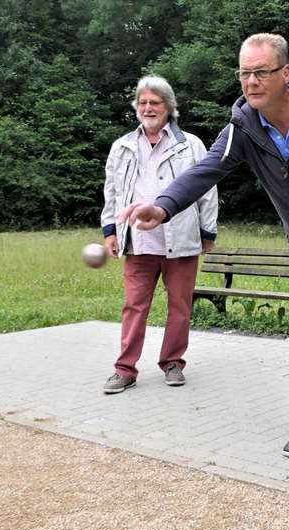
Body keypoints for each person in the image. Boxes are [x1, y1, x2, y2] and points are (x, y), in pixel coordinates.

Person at [117, 34, 289, 457]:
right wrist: (162, 206)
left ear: (285, 73)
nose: (251, 82)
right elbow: (208, 168)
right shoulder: (245, 126)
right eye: (244, 73)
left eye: (261, 72)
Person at [100, 75, 218, 394]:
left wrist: (208, 231)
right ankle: (125, 369)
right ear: (136, 107)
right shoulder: (122, 146)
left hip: (180, 238)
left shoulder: (189, 144)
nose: (148, 108)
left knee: (180, 305)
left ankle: (173, 362)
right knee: (134, 305)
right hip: (137, 241)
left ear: (169, 107)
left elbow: (207, 191)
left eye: (155, 102)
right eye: (143, 102)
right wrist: (110, 230)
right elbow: (112, 192)